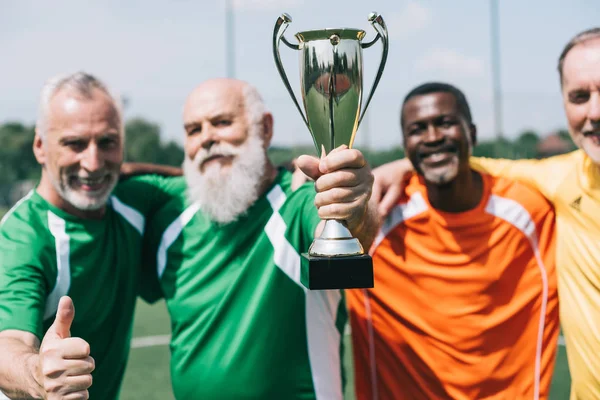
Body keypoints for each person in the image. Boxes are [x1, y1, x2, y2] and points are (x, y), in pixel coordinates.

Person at [373, 28, 600, 400]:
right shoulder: (559, 180)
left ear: (471, 131)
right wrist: (400, 166)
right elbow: (471, 163)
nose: (595, 111)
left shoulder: (531, 205)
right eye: (580, 96)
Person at [140, 78, 378, 400]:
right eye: (193, 130)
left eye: (222, 123)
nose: (207, 138)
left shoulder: (296, 201)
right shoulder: (170, 215)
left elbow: (347, 228)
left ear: (264, 128)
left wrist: (351, 204)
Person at [346, 82, 559, 399]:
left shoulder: (532, 213)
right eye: (418, 129)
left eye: (445, 123)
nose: (432, 137)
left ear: (471, 133)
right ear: (406, 145)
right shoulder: (378, 218)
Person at [0, 72, 182, 400]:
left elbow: (205, 184)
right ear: (41, 147)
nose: (93, 162)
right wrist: (38, 375)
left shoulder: (133, 199)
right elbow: (8, 344)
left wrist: (285, 178)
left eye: (107, 142)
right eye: (75, 143)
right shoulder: (23, 238)